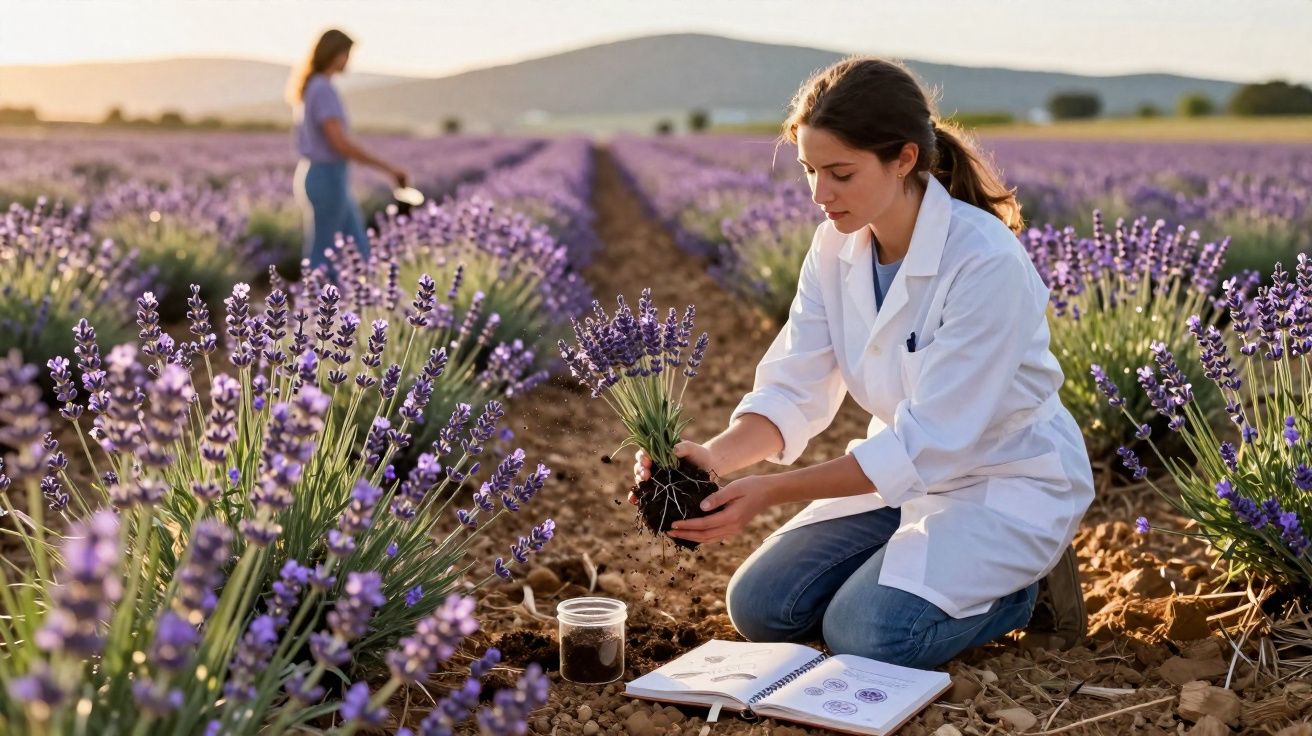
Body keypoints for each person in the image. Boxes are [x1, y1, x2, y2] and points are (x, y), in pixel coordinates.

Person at [635, 57, 1094, 669]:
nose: (821, 194)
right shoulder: (835, 247)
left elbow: (930, 443)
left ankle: (1023, 589)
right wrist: (713, 460)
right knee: (760, 606)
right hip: (898, 475)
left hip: (1001, 480)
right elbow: (795, 388)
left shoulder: (985, 261)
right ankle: (908, 575)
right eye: (809, 171)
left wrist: (769, 491)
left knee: (868, 635)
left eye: (841, 173)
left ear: (903, 159)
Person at [287, 28, 407, 276]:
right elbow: (339, 143)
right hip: (327, 177)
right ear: (335, 54)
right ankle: (314, 309)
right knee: (324, 249)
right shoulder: (322, 89)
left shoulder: (314, 86)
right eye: (346, 54)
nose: (348, 60)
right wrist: (388, 168)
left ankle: (361, 307)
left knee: (358, 246)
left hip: (326, 176)